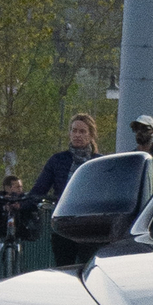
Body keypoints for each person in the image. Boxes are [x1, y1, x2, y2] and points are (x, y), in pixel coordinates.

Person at [30, 112, 101, 266]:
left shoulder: (99, 162)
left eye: (82, 131)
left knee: (89, 269)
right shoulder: (58, 160)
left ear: (91, 135)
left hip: (90, 225)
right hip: (64, 223)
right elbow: (39, 189)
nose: (77, 135)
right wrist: (21, 203)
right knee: (64, 268)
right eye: (74, 130)